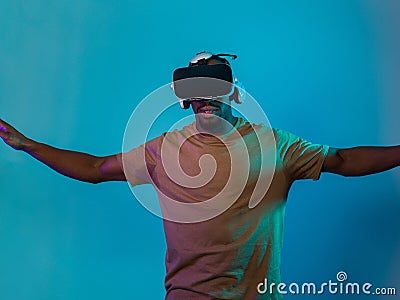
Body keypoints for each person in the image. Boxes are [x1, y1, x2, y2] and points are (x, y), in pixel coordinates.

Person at [0, 52, 399, 300]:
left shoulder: (273, 144)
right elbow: (94, 169)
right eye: (196, 87)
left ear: (233, 93)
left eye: (215, 85)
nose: (205, 96)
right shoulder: (163, 149)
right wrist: (27, 144)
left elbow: (343, 160)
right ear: (185, 97)